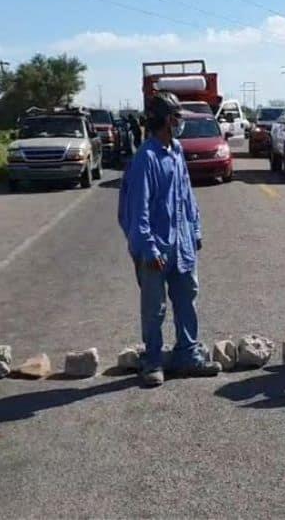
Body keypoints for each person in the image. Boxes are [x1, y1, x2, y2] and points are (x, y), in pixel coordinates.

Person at [118, 92, 221, 387]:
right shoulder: (145, 159)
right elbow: (139, 209)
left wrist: (196, 230)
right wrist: (149, 248)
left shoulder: (175, 150)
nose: (180, 123)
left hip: (182, 243)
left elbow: (187, 196)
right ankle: (152, 361)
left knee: (186, 298)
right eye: (177, 117)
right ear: (166, 120)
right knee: (154, 308)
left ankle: (187, 354)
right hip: (155, 247)